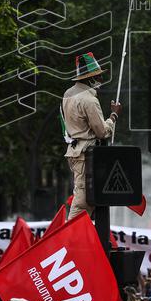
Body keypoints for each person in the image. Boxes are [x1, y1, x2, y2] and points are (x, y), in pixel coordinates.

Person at [61, 51, 121, 220]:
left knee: (88, 197)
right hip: (86, 154)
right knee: (82, 202)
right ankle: (70, 239)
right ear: (90, 78)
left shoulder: (68, 94)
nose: (100, 80)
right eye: (98, 77)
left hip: (75, 152)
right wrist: (113, 116)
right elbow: (102, 132)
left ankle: (83, 236)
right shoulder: (88, 99)